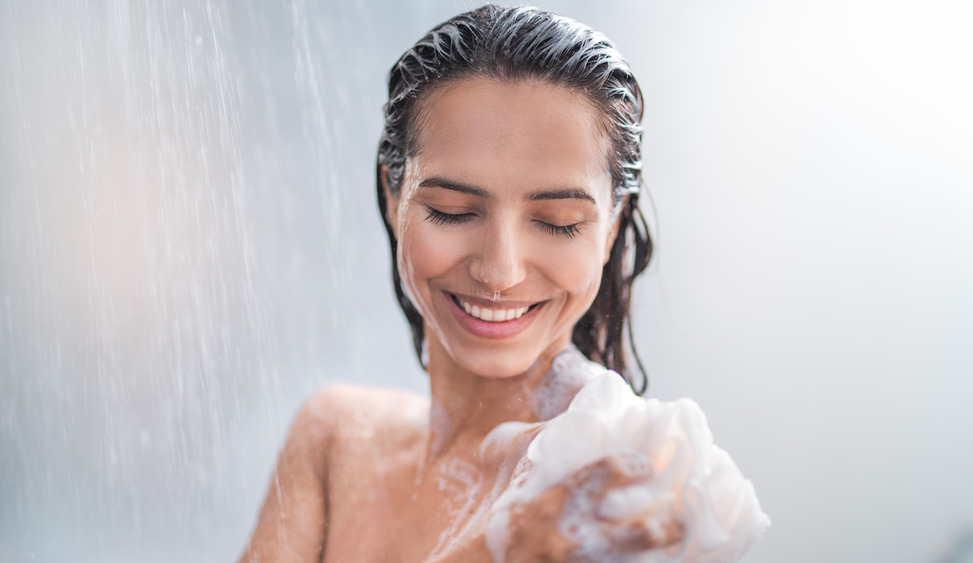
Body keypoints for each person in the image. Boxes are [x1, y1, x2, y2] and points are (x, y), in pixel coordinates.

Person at [240, 5, 693, 561]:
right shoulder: (335, 437)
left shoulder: (617, 497)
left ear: (610, 228)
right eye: (453, 211)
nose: (500, 271)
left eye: (558, 223)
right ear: (392, 196)